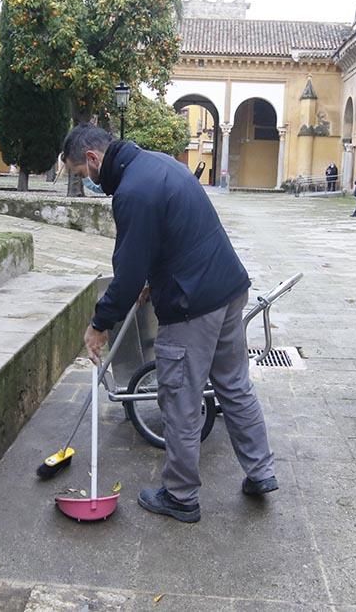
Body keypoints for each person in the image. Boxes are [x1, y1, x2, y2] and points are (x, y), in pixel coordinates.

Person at [61, 123, 277, 523]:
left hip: (192, 304)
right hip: (229, 288)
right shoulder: (159, 163)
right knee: (234, 386)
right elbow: (173, 236)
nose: (87, 180)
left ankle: (180, 496)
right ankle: (261, 472)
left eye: (81, 173)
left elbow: (125, 273)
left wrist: (99, 323)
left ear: (93, 159)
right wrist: (153, 279)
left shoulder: (132, 192)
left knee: (179, 399)